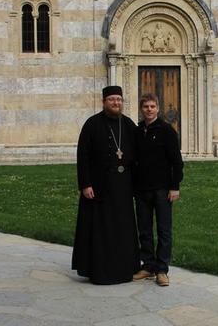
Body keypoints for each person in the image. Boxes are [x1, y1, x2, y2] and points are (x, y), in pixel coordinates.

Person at [72, 85, 140, 284]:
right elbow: (82, 157)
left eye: (119, 99)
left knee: (122, 228)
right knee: (101, 228)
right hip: (99, 186)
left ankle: (125, 268)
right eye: (112, 99)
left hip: (123, 187)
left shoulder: (128, 124)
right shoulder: (92, 124)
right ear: (104, 102)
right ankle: (100, 270)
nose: (116, 103)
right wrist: (85, 184)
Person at [133, 93, 184, 287]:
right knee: (144, 230)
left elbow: (176, 162)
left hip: (163, 190)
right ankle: (148, 266)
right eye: (146, 106)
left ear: (158, 108)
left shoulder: (167, 131)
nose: (149, 110)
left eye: (152, 106)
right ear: (141, 109)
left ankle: (162, 270)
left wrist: (175, 187)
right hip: (142, 190)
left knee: (164, 231)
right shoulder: (137, 131)